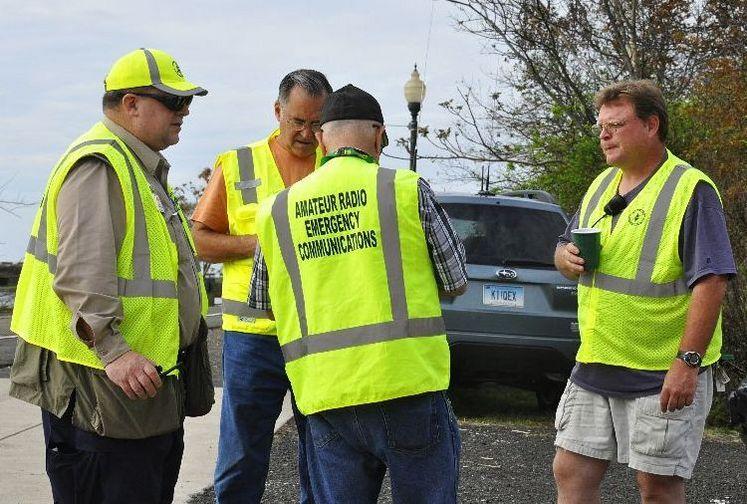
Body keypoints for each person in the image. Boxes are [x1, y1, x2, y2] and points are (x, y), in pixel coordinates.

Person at [9, 48, 212, 504]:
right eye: (173, 101)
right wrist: (114, 350)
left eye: (187, 102)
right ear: (130, 104)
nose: (184, 112)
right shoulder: (99, 165)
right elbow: (82, 272)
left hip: (132, 395)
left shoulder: (139, 167)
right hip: (103, 391)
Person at [247, 84, 467, 503]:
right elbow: (455, 280)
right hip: (408, 384)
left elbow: (264, 304)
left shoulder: (277, 209)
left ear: (322, 139)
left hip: (325, 395)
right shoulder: (405, 188)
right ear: (380, 135)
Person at [553, 80, 736, 503]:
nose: (604, 134)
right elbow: (565, 244)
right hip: (596, 361)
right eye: (601, 125)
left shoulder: (691, 190)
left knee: (657, 486)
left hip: (661, 371)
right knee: (570, 470)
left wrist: (686, 363)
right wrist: (563, 257)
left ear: (651, 125)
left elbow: (712, 281)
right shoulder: (601, 185)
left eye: (616, 125)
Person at [191, 69, 332, 503]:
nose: (308, 134)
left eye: (317, 122)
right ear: (277, 112)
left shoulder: (338, 167)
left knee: (325, 456)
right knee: (241, 455)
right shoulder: (237, 164)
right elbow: (198, 240)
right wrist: (261, 242)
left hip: (323, 335)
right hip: (254, 337)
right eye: (297, 121)